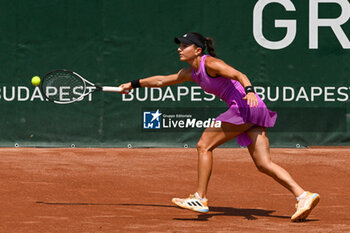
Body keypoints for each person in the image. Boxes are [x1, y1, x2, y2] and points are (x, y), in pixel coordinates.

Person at [119, 32, 320, 222]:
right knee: (263, 163)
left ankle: (200, 197)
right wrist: (133, 84)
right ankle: (303, 195)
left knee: (203, 145)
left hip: (244, 106)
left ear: (198, 50)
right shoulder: (191, 73)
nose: (179, 49)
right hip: (255, 108)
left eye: (184, 46)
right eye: (179, 46)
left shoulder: (212, 64)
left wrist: (249, 91)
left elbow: (239, 74)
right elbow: (163, 80)